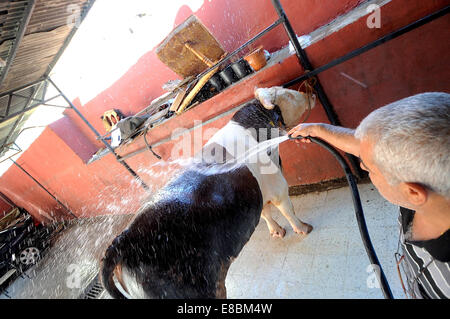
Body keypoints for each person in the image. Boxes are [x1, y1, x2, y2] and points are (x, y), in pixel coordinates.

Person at [288, 92, 450, 299]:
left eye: (370, 170)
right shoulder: (430, 187)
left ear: (413, 192)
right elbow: (367, 148)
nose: (363, 165)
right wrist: (319, 129)